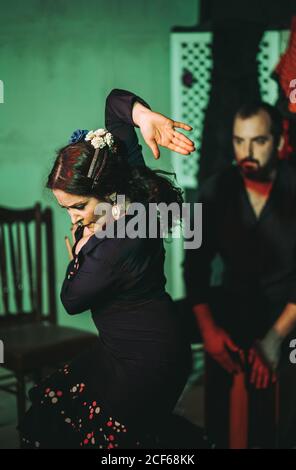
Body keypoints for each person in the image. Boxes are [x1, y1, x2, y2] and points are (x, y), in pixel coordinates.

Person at [18, 89, 196, 449]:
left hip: (146, 360)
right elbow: (116, 102)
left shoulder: (114, 245)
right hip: (128, 348)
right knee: (53, 410)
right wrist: (145, 117)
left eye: (79, 206)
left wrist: (80, 252)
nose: (74, 218)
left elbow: (71, 298)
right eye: (66, 208)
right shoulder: (130, 191)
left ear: (104, 189)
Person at [184, 101, 296, 448]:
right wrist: (209, 331)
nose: (246, 152)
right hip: (235, 302)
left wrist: (274, 340)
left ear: (278, 142)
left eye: (258, 141)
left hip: (289, 311)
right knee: (168, 327)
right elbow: (194, 266)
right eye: (239, 141)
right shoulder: (212, 190)